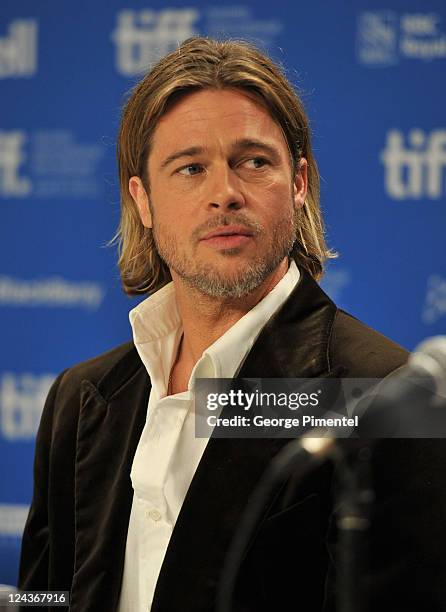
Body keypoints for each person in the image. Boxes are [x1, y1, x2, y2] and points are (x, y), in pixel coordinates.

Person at [18, 37, 446, 612]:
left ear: (298, 184)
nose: (224, 194)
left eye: (253, 162)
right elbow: (52, 594)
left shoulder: (377, 395)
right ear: (142, 201)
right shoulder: (83, 397)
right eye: (191, 168)